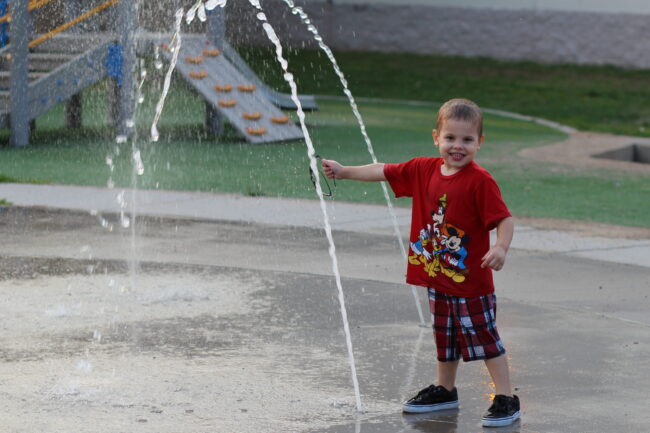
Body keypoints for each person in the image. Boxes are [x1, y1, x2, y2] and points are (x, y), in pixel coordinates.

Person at [322, 98, 519, 428]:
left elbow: (504, 219)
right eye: (450, 138)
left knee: (485, 338)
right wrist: (345, 172)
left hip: (470, 284)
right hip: (438, 279)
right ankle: (445, 389)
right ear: (436, 137)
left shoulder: (480, 181)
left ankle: (506, 397)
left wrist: (501, 247)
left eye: (467, 140)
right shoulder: (423, 169)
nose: (458, 146)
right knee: (445, 337)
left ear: (479, 142)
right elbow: (383, 170)